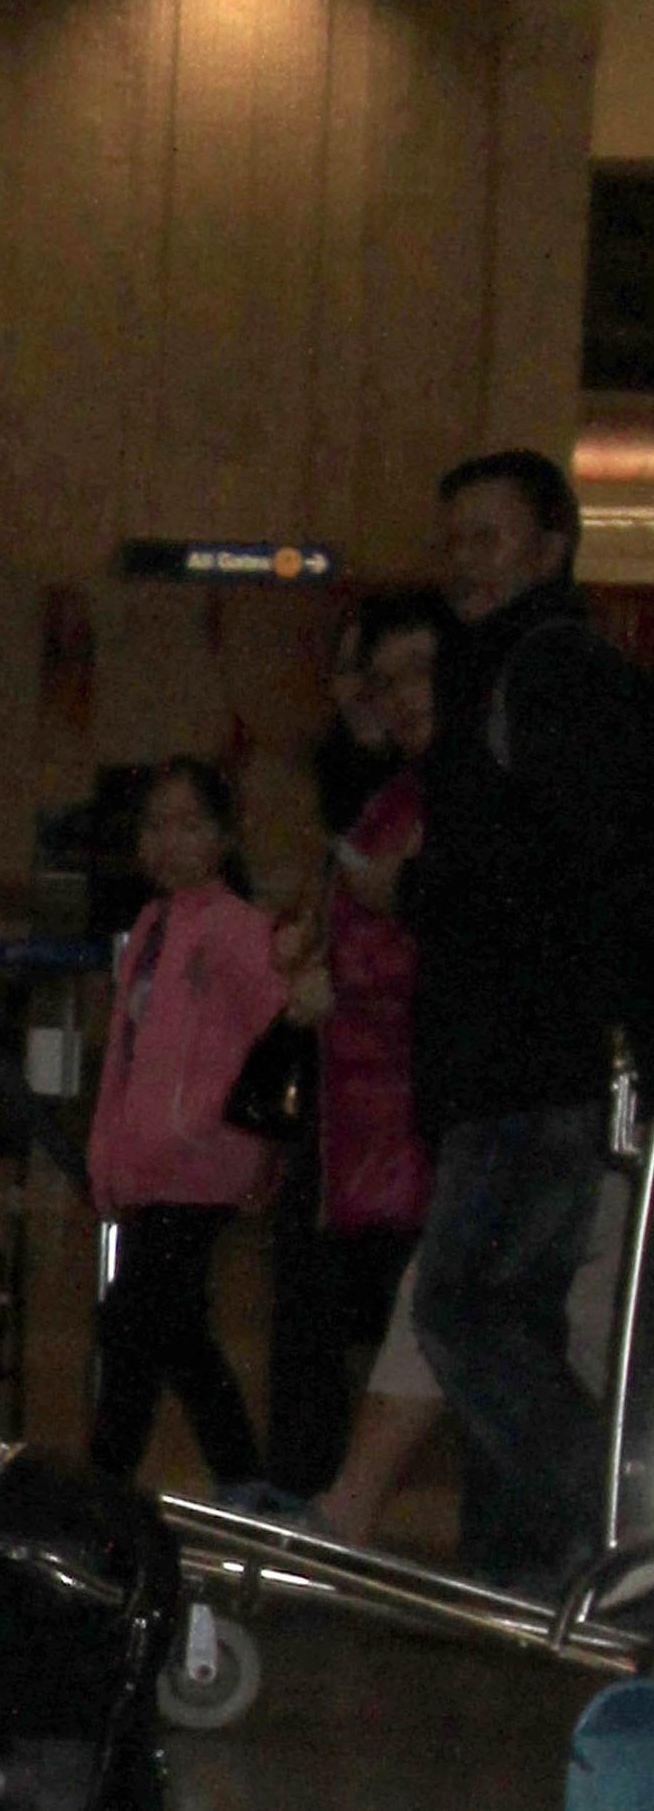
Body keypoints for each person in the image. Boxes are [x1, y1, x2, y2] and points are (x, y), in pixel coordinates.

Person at [335, 448, 654, 1581]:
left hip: (537, 1062)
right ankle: (586, 1541)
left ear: (549, 545)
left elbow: (573, 864)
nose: (462, 560)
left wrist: (419, 890)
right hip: (519, 1060)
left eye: (487, 536)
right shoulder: (509, 671)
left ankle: (616, 1529)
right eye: (449, 541)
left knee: (468, 1308)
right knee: (500, 1310)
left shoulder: (547, 672)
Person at [265, 592, 442, 1513]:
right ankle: (320, 1507)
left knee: (424, 1318)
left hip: (403, 1105)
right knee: (338, 1312)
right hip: (354, 1102)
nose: (371, 695)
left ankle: (333, 1510)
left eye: (410, 675)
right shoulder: (380, 794)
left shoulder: (436, 793)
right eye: (365, 675)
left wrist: (346, 982)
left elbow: (441, 943)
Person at [86, 754, 289, 1490]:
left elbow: (278, 1033)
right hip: (151, 1163)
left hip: (202, 1162)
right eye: (155, 826)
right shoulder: (152, 926)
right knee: (155, 1329)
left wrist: (254, 1142)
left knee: (145, 1321)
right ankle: (150, 1479)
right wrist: (106, 1153)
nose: (168, 843)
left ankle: (128, 1480)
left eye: (189, 825)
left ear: (223, 837)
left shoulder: (237, 929)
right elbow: (126, 1053)